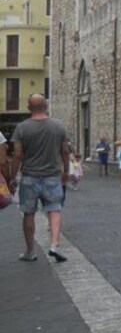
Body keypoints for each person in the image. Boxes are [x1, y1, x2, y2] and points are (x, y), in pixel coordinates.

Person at [9, 94, 70, 262]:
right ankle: (54, 245)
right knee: (54, 209)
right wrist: (66, 171)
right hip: (52, 176)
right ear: (46, 107)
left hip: (29, 178)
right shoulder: (58, 126)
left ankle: (30, 251)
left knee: (28, 213)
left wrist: (12, 177)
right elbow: (65, 151)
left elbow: (17, 155)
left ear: (29, 108)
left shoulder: (21, 128)